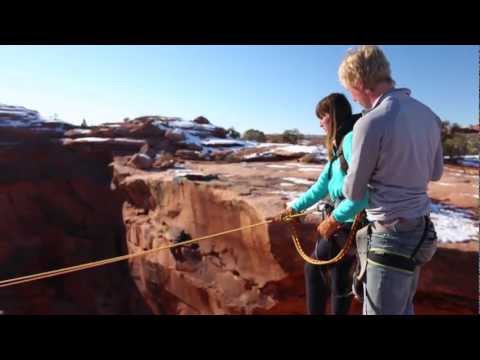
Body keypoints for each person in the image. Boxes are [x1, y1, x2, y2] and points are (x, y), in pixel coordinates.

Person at [338, 45, 442, 315]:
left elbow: (353, 191)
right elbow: (435, 173)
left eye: (351, 89)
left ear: (360, 83)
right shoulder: (429, 116)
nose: (352, 96)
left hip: (390, 236)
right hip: (420, 232)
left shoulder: (370, 122)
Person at [274, 93, 368, 315]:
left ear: (333, 116)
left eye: (322, 116)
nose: (319, 122)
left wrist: (335, 219)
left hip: (348, 225)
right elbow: (319, 188)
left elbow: (364, 191)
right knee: (321, 274)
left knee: (334, 280)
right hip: (341, 224)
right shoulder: (339, 148)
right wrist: (293, 209)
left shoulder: (350, 140)